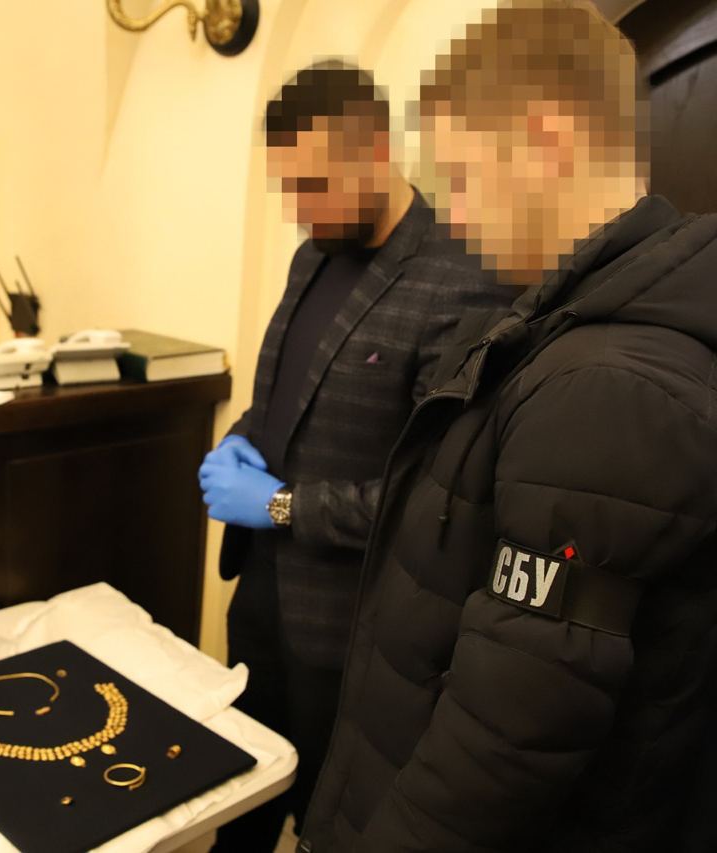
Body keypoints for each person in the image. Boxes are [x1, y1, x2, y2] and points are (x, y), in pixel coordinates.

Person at [298, 2, 717, 851]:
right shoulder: (562, 326)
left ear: (545, 140)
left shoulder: (607, 387)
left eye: (459, 176)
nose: (452, 217)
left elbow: (502, 747)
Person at [198, 62, 514, 850]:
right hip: (262, 603)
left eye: (313, 184)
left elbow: (432, 499)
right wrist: (240, 438)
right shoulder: (313, 255)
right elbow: (285, 396)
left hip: (348, 636)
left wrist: (277, 505)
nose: (300, 210)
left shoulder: (462, 279)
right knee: (237, 807)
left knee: (328, 827)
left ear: (376, 152)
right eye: (288, 188)